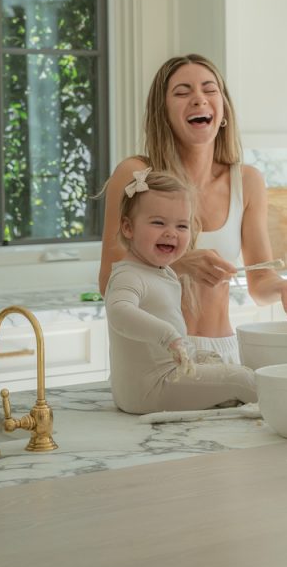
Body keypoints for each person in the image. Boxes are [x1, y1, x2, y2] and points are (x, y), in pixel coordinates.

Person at [99, 54, 287, 366]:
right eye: (182, 92)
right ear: (163, 113)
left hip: (224, 352)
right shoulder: (136, 175)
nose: (199, 99)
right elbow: (109, 279)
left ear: (223, 108)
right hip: (156, 356)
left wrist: (283, 288)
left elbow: (260, 282)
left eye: (209, 89)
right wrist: (181, 262)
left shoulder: (247, 181)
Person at [105, 167, 257, 414]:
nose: (171, 233)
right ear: (128, 227)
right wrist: (168, 336)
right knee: (241, 378)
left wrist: (186, 347)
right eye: (158, 222)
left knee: (216, 366)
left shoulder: (160, 271)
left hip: (153, 384)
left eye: (182, 226)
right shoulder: (128, 274)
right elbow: (118, 312)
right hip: (151, 388)